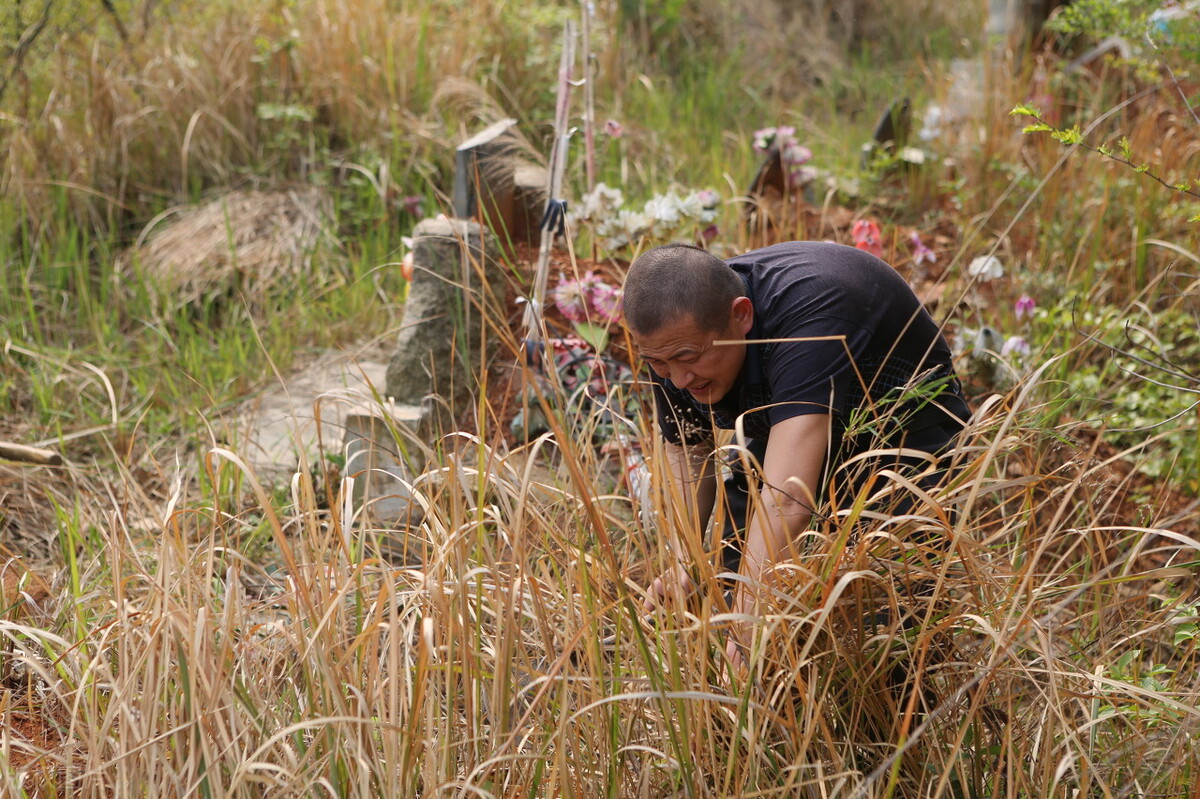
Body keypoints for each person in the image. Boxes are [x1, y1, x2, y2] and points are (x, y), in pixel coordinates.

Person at [621, 241, 971, 668]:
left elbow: (788, 500)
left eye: (685, 358)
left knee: (887, 622)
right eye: (658, 364)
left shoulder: (813, 315)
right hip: (783, 427)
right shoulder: (674, 337)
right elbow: (687, 445)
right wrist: (684, 560)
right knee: (731, 582)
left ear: (742, 315)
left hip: (899, 434)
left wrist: (749, 627)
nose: (677, 378)